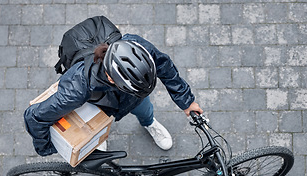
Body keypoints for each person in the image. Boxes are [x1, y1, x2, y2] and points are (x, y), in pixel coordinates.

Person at [24, 33, 203, 156]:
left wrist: (186, 101)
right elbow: (34, 116)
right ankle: (99, 136)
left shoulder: (135, 45)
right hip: (98, 104)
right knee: (98, 122)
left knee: (145, 109)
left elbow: (164, 66)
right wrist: (48, 148)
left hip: (132, 98)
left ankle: (149, 123)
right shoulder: (77, 89)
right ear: (110, 78)